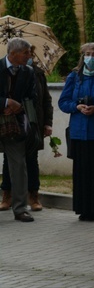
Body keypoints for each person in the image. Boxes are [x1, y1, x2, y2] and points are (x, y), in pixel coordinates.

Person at [58, 43, 94, 221]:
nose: (90, 58)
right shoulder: (75, 77)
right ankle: (83, 209)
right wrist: (77, 106)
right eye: (87, 54)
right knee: (82, 172)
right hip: (79, 133)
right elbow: (63, 102)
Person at [0, 54, 53, 212]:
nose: (27, 56)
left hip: (32, 122)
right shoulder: (7, 71)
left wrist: (47, 123)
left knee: (31, 159)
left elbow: (45, 100)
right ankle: (7, 195)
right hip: (10, 123)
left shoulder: (37, 73)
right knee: (8, 161)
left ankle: (33, 195)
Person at [0, 38, 37, 222]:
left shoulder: (28, 72)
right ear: (13, 54)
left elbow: (32, 96)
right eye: (26, 53)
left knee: (19, 165)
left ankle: (20, 208)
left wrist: (18, 106)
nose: (29, 56)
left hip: (15, 125)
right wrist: (5, 103)